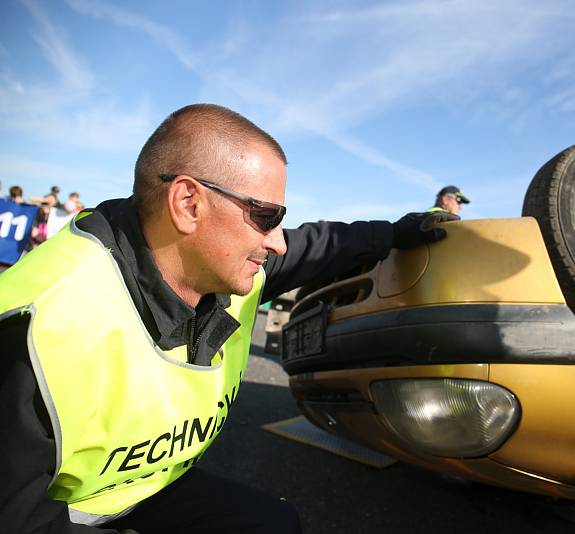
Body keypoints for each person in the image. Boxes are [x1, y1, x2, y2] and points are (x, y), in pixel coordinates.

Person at [0, 103, 449, 533]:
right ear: (188, 203)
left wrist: (398, 232)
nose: (277, 243)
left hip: (143, 492)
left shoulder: (230, 271)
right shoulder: (40, 327)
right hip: (63, 516)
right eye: (265, 216)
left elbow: (323, 244)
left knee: (272, 522)